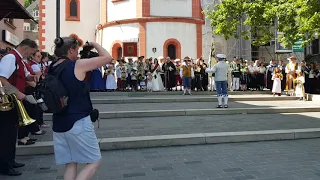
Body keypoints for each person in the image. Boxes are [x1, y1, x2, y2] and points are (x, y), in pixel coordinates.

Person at [51, 37, 112, 180]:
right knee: (94, 161)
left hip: (59, 122)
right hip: (78, 121)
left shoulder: (52, 67)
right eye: (76, 50)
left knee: (71, 163)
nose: (78, 53)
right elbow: (107, 57)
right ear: (71, 49)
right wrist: (93, 44)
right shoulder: (77, 65)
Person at [0, 39, 39, 176]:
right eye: (32, 52)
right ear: (27, 48)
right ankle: (5, 165)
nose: (31, 55)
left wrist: (30, 77)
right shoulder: (11, 57)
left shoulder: (19, 59)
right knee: (7, 134)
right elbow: (2, 79)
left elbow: (19, 75)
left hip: (13, 100)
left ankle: (10, 160)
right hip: (9, 101)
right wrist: (17, 93)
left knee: (12, 133)